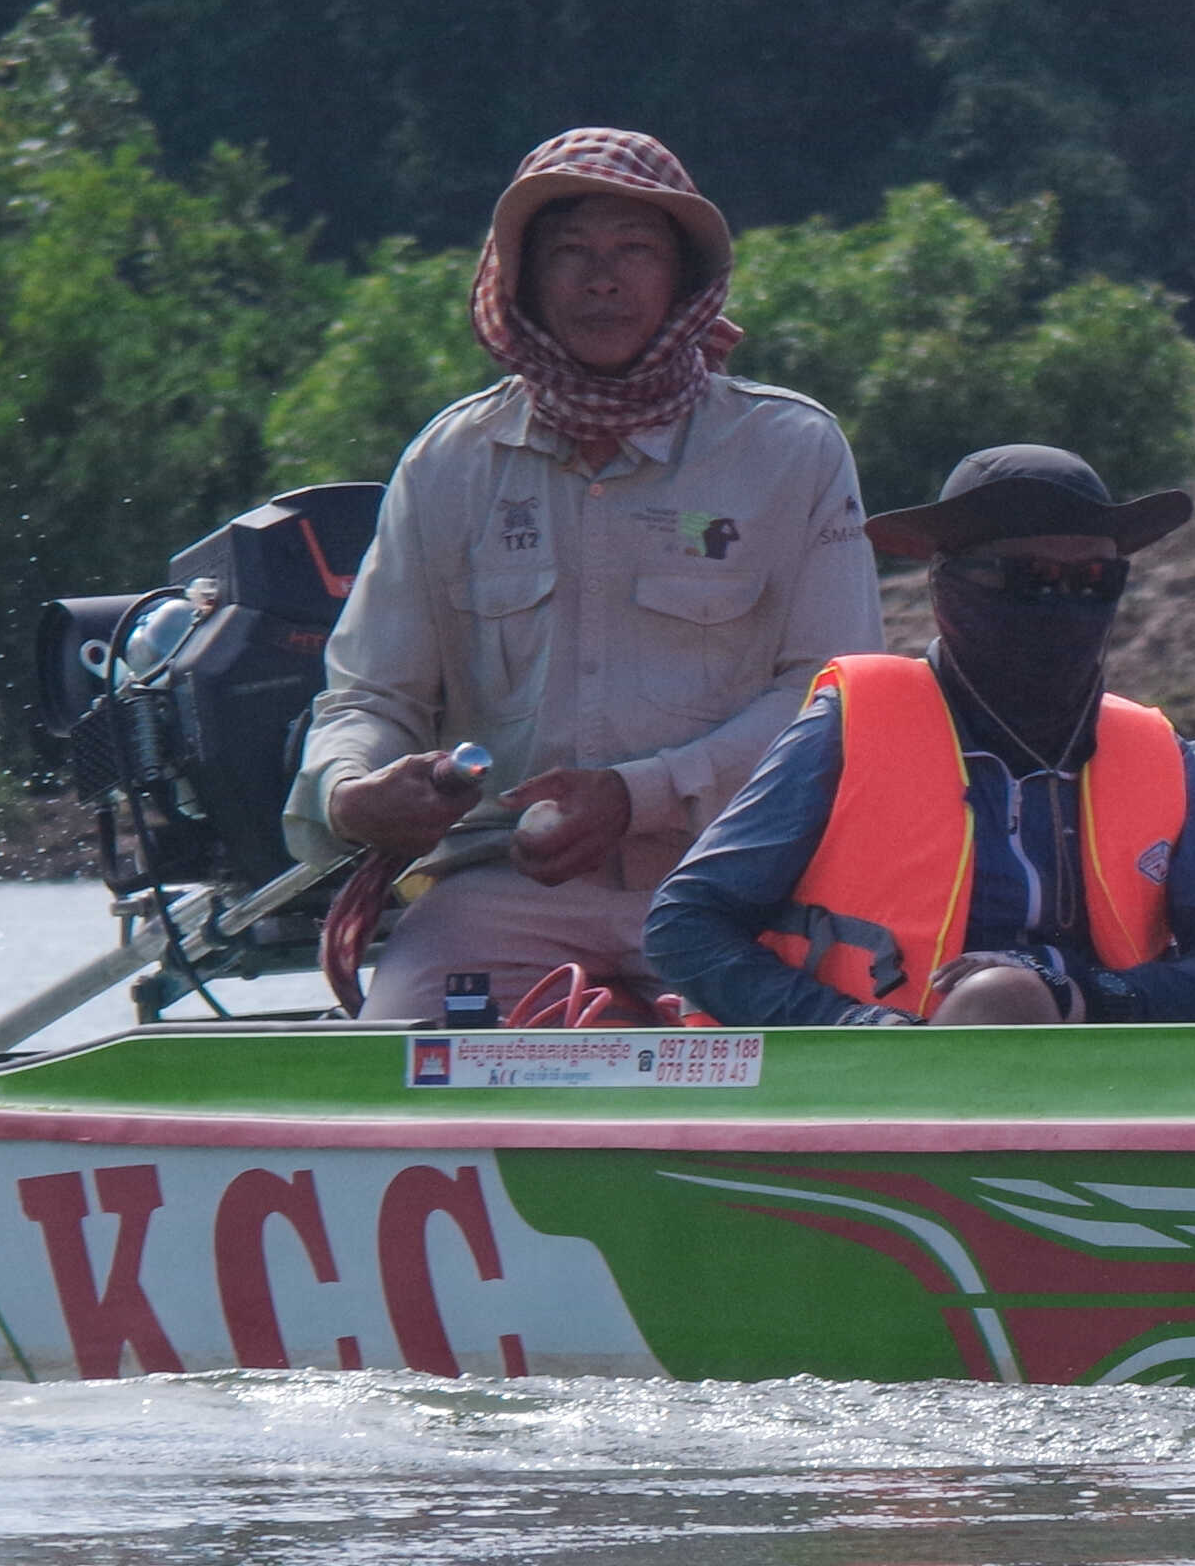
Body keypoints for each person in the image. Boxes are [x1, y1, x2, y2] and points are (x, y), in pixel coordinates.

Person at [290, 128, 871, 1020]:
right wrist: (353, 791)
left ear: (683, 277)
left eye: (633, 249)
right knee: (392, 1063)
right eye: (570, 252)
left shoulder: (790, 449)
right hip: (502, 891)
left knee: (837, 1058)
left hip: (737, 883)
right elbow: (371, 696)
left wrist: (638, 796)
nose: (602, 278)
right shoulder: (451, 461)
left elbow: (831, 702)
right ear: (522, 279)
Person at [644, 446, 1195, 1028]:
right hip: (900, 1078)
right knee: (1005, 1002)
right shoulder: (853, 725)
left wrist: (1093, 996)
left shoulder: (1150, 748)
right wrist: (854, 1028)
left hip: (1114, 1062)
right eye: (1030, 579)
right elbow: (687, 923)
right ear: (948, 588)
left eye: (1092, 580)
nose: (1062, 603)